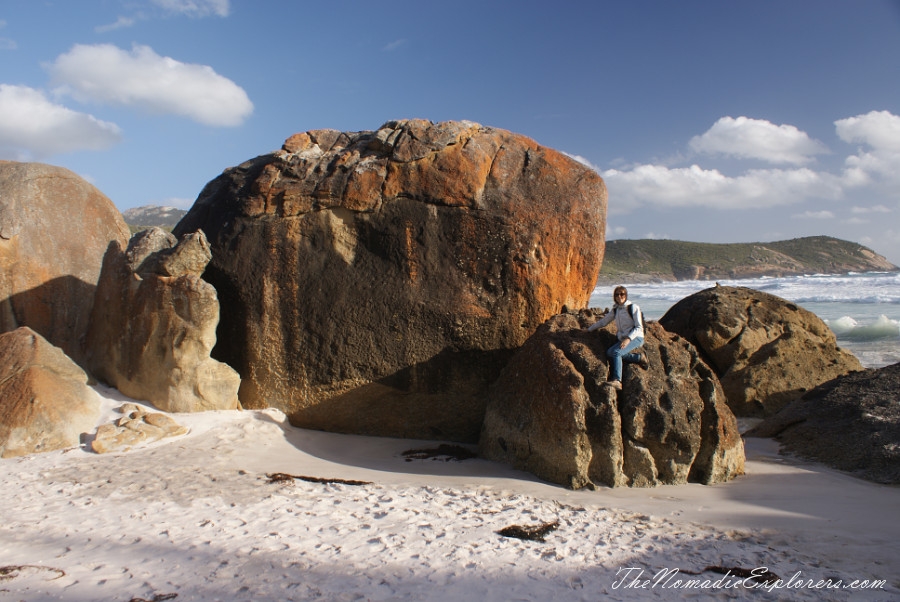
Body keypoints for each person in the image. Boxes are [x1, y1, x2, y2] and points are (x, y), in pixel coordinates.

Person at [585, 286, 646, 389]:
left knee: (616, 353)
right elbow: (603, 322)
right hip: (623, 339)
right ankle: (639, 357)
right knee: (609, 353)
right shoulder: (616, 310)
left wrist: (628, 339)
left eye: (622, 294)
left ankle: (617, 380)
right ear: (614, 297)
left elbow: (639, 327)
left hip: (636, 338)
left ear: (626, 295)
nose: (619, 296)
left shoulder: (633, 307)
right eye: (617, 294)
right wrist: (588, 330)